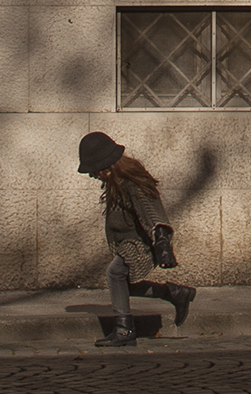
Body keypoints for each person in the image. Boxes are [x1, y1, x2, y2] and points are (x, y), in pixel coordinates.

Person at [76, 131, 194, 347]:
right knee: (123, 285)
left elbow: (150, 212)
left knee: (115, 273)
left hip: (140, 243)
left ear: (105, 166)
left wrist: (162, 244)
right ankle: (175, 293)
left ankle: (124, 329)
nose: (93, 175)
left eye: (93, 170)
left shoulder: (131, 183)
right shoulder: (117, 181)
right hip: (130, 241)